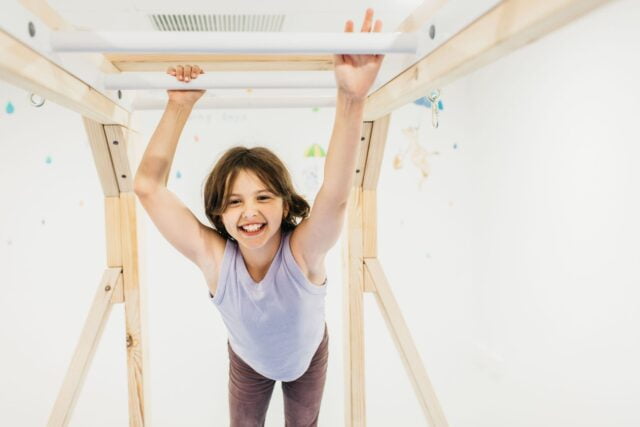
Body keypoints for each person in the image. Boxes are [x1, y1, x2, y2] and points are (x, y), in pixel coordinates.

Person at [133, 9, 384, 427]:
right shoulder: (216, 259)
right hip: (247, 361)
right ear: (219, 213)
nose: (249, 211)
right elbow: (147, 187)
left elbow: (337, 196)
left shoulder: (302, 252)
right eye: (234, 202)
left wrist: (352, 98)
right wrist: (179, 105)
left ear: (285, 205)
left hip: (307, 359)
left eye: (263, 197)